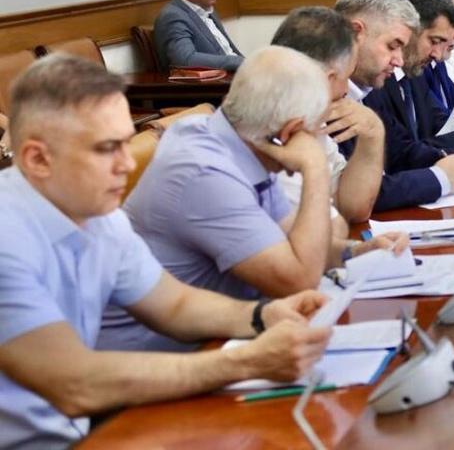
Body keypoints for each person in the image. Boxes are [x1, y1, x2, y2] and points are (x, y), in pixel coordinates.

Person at [0, 55, 331, 447]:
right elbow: (75, 384)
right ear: (38, 159)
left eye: (126, 143)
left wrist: (261, 315)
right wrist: (245, 361)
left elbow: (174, 305)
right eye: (107, 149)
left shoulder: (100, 215)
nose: (127, 164)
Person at [100, 47, 407, 352]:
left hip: (222, 337)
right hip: (159, 359)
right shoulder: (204, 171)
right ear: (290, 132)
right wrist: (314, 168)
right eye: (317, 132)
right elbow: (300, 279)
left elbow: (292, 241)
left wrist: (355, 251)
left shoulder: (240, 139)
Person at [333, 0, 454, 209]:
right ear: (356, 32)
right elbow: (354, 196)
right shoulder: (319, 98)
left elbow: (400, 150)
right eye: (392, 46)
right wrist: (440, 178)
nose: (399, 60)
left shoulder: (367, 87)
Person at [270, 6, 388, 223]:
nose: (346, 90)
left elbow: (354, 208)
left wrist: (373, 133)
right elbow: (326, 230)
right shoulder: (272, 128)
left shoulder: (310, 117)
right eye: (347, 77)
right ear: (328, 79)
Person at [153, 0, 243, 71]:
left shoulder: (208, 11)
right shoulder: (172, 16)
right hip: (217, 81)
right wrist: (236, 62)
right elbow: (185, 59)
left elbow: (228, 52)